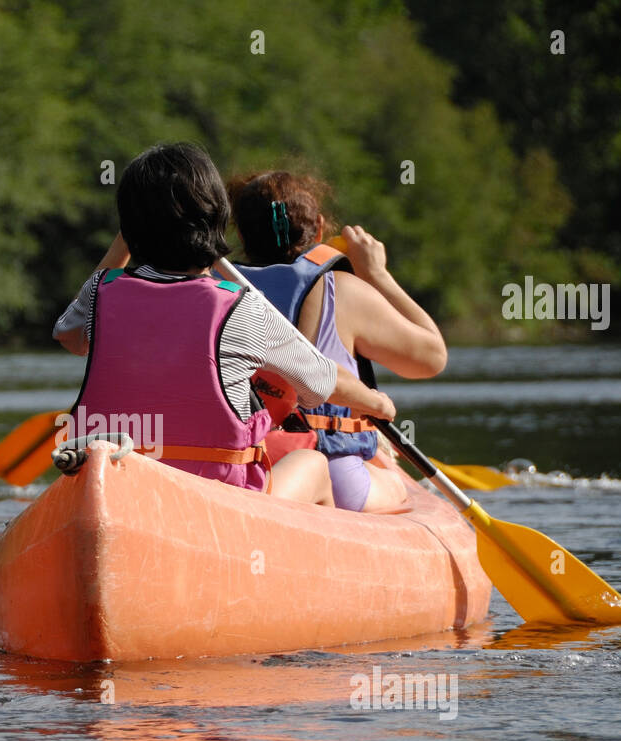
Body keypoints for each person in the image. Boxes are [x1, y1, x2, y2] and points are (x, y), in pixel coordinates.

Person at [53, 143, 395, 506]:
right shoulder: (241, 307)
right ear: (217, 217)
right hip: (218, 501)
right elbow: (323, 382)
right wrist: (377, 403)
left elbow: (71, 337)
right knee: (312, 464)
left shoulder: (99, 293)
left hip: (123, 489)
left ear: (129, 227)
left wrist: (130, 235)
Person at [228, 170, 448, 511]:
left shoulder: (215, 289)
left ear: (241, 233)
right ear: (318, 228)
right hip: (336, 477)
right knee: (394, 475)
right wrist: (377, 275)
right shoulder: (341, 290)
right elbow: (432, 358)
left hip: (245, 466)